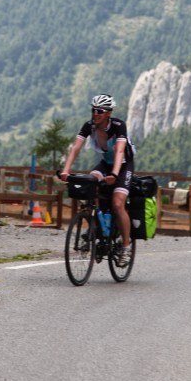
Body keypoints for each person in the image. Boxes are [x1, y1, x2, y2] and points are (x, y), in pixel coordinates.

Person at [58, 94, 136, 267]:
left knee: (117, 203)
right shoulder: (89, 126)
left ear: (108, 113)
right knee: (90, 184)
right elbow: (75, 148)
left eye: (100, 111)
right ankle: (97, 228)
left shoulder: (117, 126)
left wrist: (115, 174)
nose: (95, 113)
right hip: (105, 164)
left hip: (123, 166)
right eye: (93, 110)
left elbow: (120, 151)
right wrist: (66, 170)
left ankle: (125, 246)